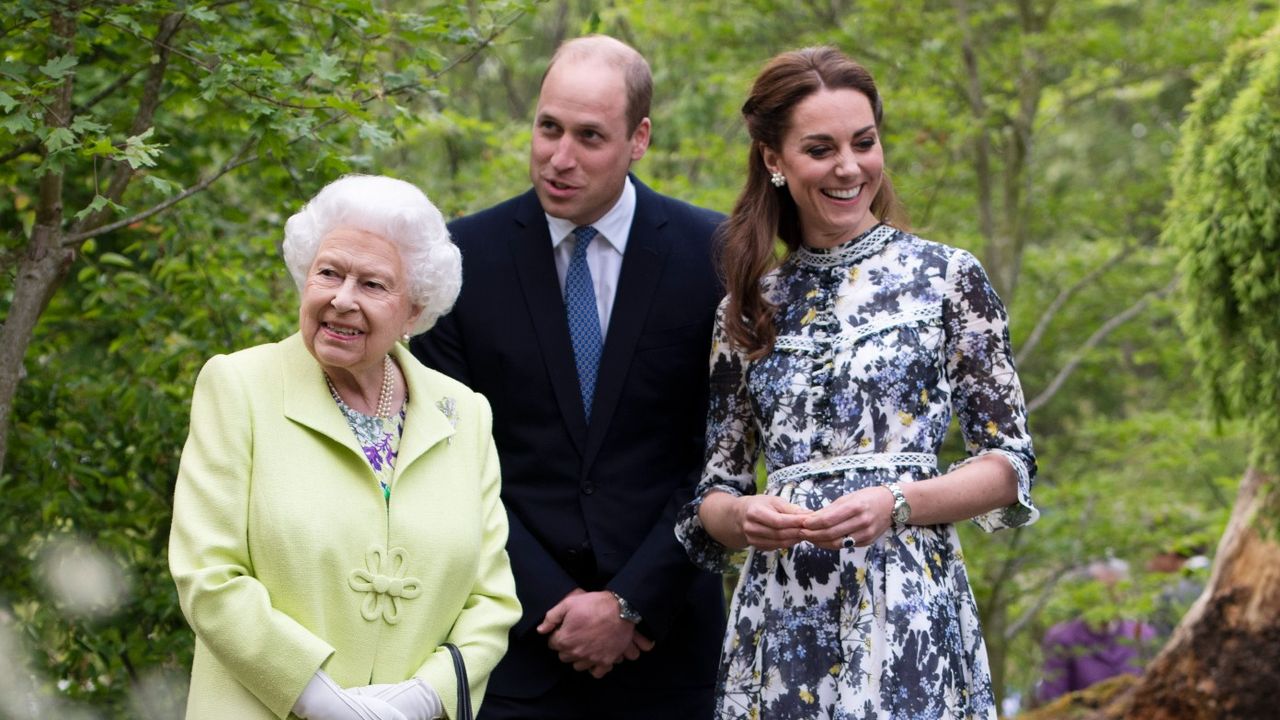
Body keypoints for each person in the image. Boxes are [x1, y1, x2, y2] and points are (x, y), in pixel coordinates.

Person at [675, 47, 1039, 719]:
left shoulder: (948, 278)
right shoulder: (746, 308)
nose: (849, 167)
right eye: (821, 148)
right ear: (775, 162)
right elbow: (713, 497)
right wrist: (744, 516)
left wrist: (898, 501)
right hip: (780, 621)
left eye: (863, 142)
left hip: (906, 606)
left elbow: (1009, 465)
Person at [411, 35, 725, 720]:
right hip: (512, 651)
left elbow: (724, 459)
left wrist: (633, 601)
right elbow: (449, 461)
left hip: (669, 652)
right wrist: (558, 608)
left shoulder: (716, 257)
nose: (559, 158)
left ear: (639, 138)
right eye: (548, 128)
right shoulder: (458, 260)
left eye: (590, 137)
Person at [169, 175, 521, 720]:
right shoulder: (239, 386)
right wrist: (322, 701)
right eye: (328, 273)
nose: (341, 299)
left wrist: (420, 698)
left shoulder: (464, 413)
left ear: (414, 311)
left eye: (373, 284)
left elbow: (491, 599)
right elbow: (208, 575)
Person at [1036, 559, 1158, 704]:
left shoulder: (1142, 634)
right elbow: (1052, 701)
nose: (1109, 597)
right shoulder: (1062, 638)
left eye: (1114, 590)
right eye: (1102, 590)